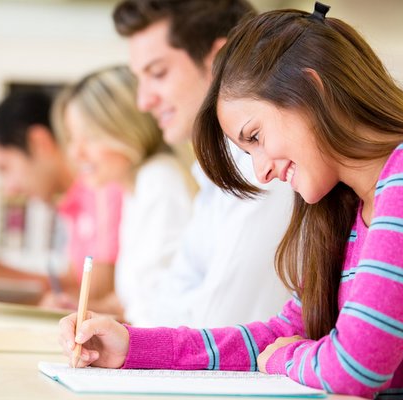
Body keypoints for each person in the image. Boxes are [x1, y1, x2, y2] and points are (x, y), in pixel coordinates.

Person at [59, 4, 403, 399]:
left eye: (256, 137)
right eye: (248, 153)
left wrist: (288, 356)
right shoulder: (340, 210)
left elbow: (353, 368)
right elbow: (279, 335)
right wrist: (131, 346)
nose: (261, 171)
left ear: (312, 90)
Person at [111, 0, 294, 327]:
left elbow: (219, 327)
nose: (143, 101)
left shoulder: (267, 171)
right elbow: (164, 307)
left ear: (218, 60)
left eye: (158, 73)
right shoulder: (216, 175)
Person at [0, 90, 123, 308]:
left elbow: (91, 297)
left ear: (39, 142)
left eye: (5, 168)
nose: (9, 189)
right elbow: (68, 286)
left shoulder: (104, 190)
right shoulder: (73, 204)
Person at [52, 65, 193, 323]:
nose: (76, 154)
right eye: (72, 138)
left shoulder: (158, 181)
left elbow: (160, 315)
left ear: (126, 127)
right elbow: (141, 298)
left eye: (90, 137)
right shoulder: (135, 187)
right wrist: (84, 308)